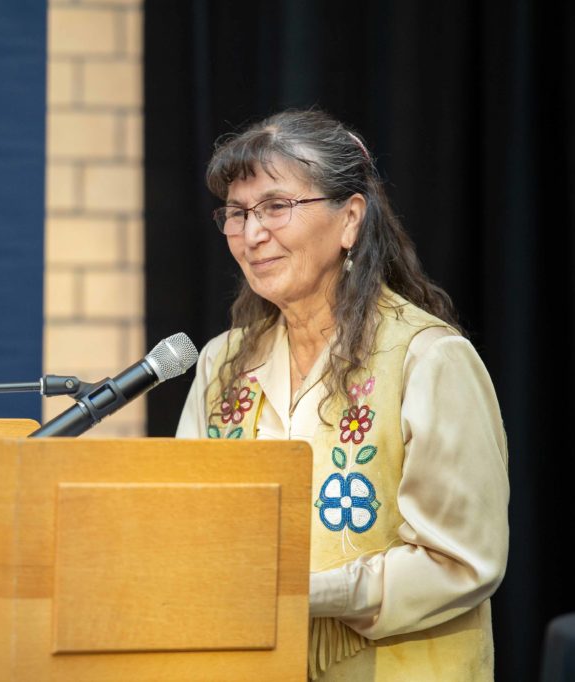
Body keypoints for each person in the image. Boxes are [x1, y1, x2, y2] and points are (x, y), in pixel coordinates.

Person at [176, 109, 509, 681]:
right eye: (237, 214)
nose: (253, 234)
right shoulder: (221, 363)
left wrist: (305, 592)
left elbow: (462, 561)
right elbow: (184, 521)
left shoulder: (428, 358)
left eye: (276, 207)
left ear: (350, 219)